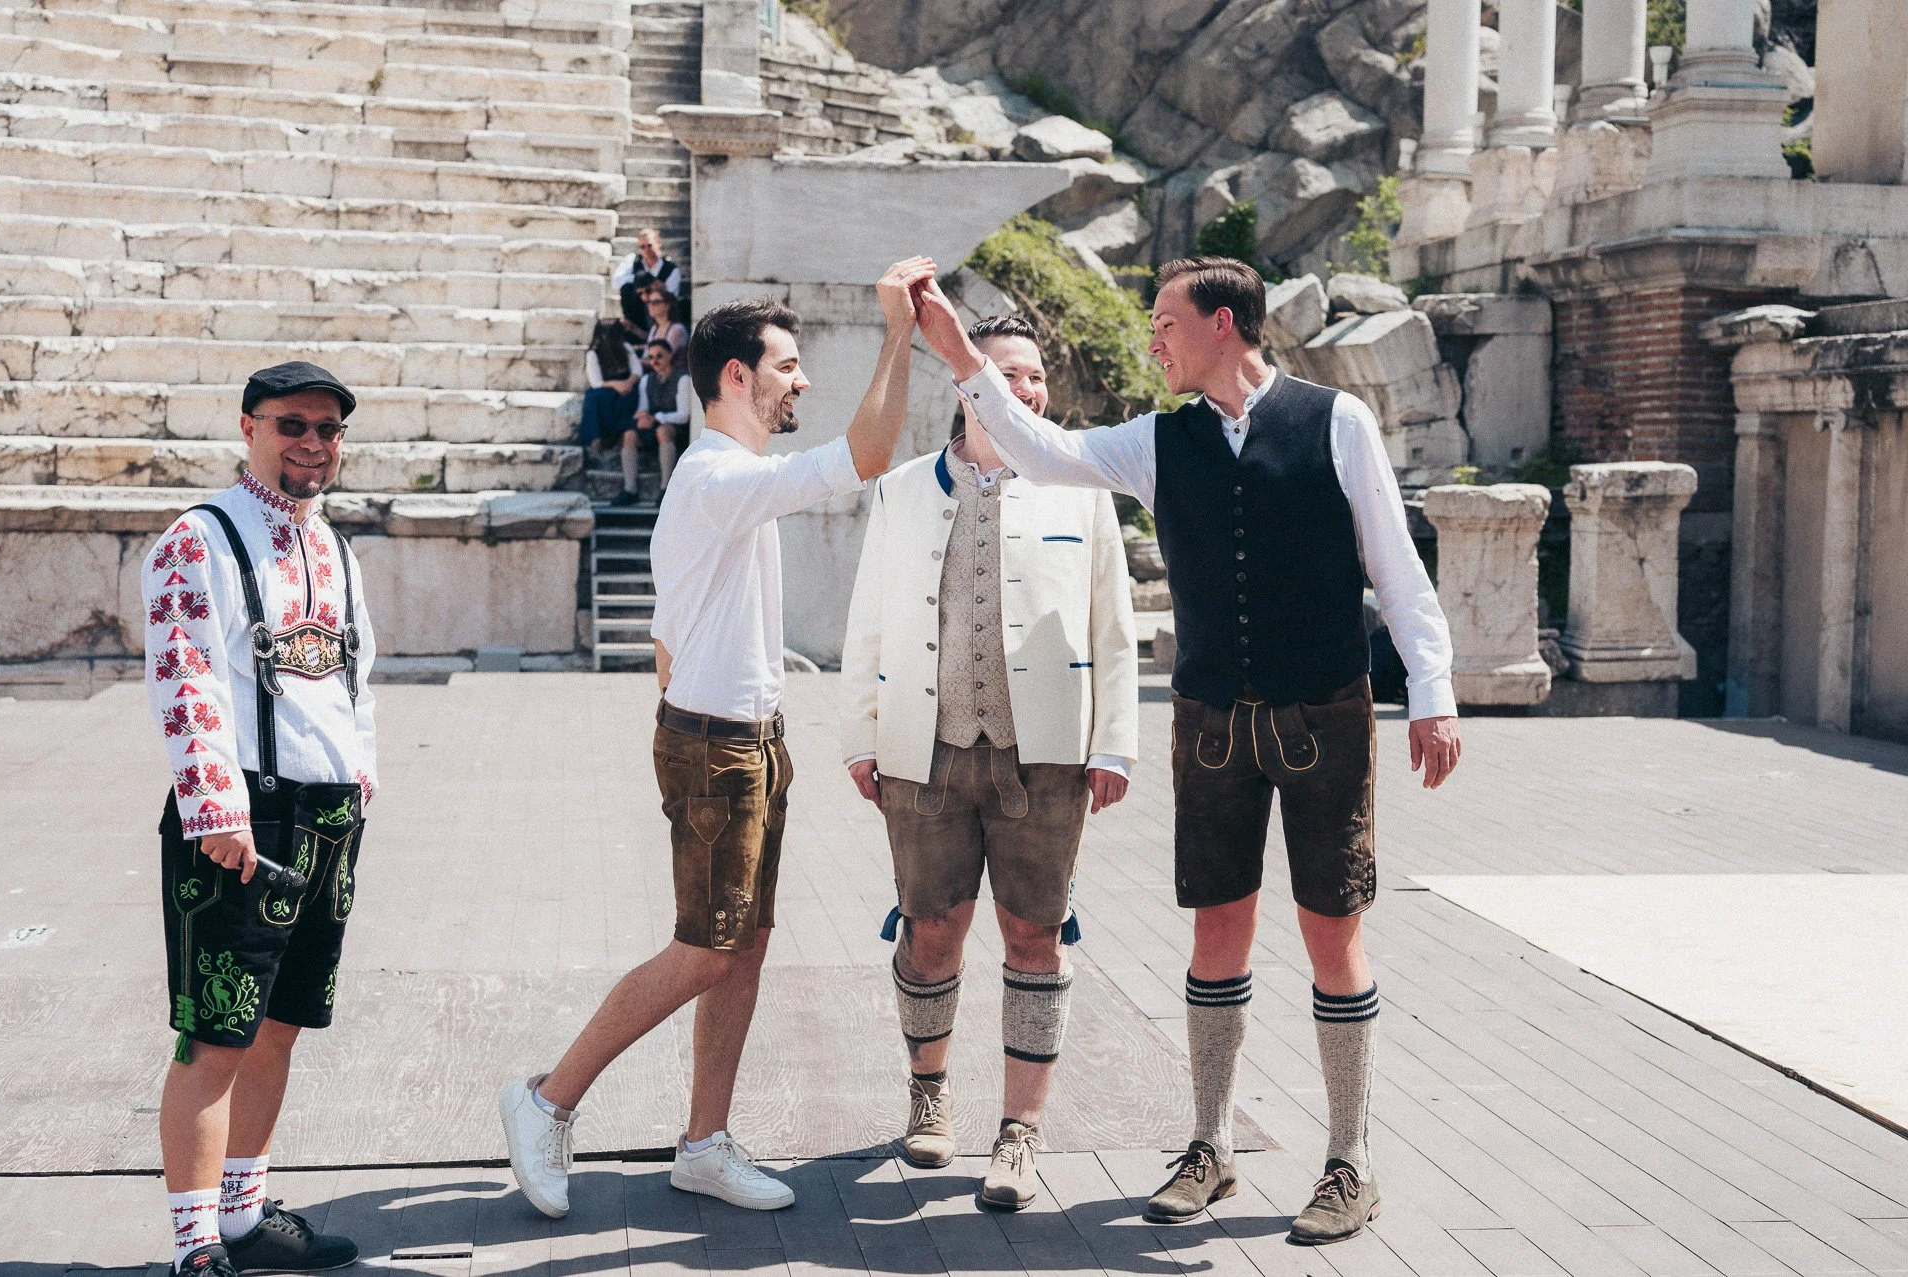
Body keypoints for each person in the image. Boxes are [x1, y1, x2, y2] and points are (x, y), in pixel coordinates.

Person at [912, 258, 1461, 1245]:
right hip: (1212, 722)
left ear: (1223, 323)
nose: (1153, 340)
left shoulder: (1336, 423)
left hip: (1325, 714)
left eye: (1166, 322)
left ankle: (1350, 1158)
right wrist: (960, 358)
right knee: (1218, 933)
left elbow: (1396, 562)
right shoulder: (1157, 442)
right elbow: (1037, 448)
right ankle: (1208, 1144)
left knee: (1333, 931)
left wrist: (1434, 689)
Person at [497, 258, 936, 1219]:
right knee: (704, 948)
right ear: (736, 376)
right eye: (786, 365)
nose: (800, 381)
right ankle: (544, 1100)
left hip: (749, 738)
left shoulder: (720, 484)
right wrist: (899, 333)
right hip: (718, 749)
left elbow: (666, 633)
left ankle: (703, 1143)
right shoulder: (719, 474)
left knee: (747, 944)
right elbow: (864, 454)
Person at [838, 314, 1139, 1210]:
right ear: (969, 388)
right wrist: (861, 734)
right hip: (923, 753)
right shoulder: (899, 492)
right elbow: (867, 621)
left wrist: (1115, 741)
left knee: (1033, 936)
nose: (1029, 389)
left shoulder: (1078, 490)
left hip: (1046, 756)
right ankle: (928, 1095)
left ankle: (1020, 1131)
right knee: (930, 931)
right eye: (1010, 372)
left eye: (1037, 376)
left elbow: (1113, 626)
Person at [144, 361, 378, 1277]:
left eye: (328, 430)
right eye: (294, 425)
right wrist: (214, 806)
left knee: (280, 1024)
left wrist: (363, 778)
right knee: (214, 1034)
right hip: (241, 815)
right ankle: (196, 1244)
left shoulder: (337, 548)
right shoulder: (197, 538)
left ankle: (243, 1214)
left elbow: (359, 677)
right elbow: (185, 673)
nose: (313, 445)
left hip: (326, 816)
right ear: (249, 427)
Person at [632, 338, 692, 502]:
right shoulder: (646, 380)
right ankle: (629, 489)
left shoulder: (683, 379)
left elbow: (684, 415)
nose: (655, 361)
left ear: (670, 356)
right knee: (629, 435)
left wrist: (657, 418)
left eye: (659, 356)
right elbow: (643, 406)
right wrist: (642, 416)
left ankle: (665, 487)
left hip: (677, 430)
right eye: (651, 357)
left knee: (663, 430)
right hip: (653, 427)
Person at [581, 317, 642, 479]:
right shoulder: (593, 354)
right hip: (607, 389)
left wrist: (629, 382)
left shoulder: (625, 348)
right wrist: (617, 385)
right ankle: (598, 438)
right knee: (595, 398)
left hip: (626, 388)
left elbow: (637, 370)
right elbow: (596, 382)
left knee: (631, 395)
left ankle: (621, 434)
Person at [613, 227, 684, 337]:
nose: (646, 249)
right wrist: (644, 281)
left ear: (658, 243)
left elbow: (671, 296)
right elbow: (616, 281)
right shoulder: (633, 261)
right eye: (642, 247)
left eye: (650, 245)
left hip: (659, 312)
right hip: (636, 310)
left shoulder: (671, 269)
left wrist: (653, 291)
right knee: (627, 288)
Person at [643, 286, 689, 367]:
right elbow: (646, 355)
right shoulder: (654, 328)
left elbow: (664, 358)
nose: (650, 306)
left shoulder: (676, 329)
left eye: (655, 302)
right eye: (649, 302)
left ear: (667, 305)